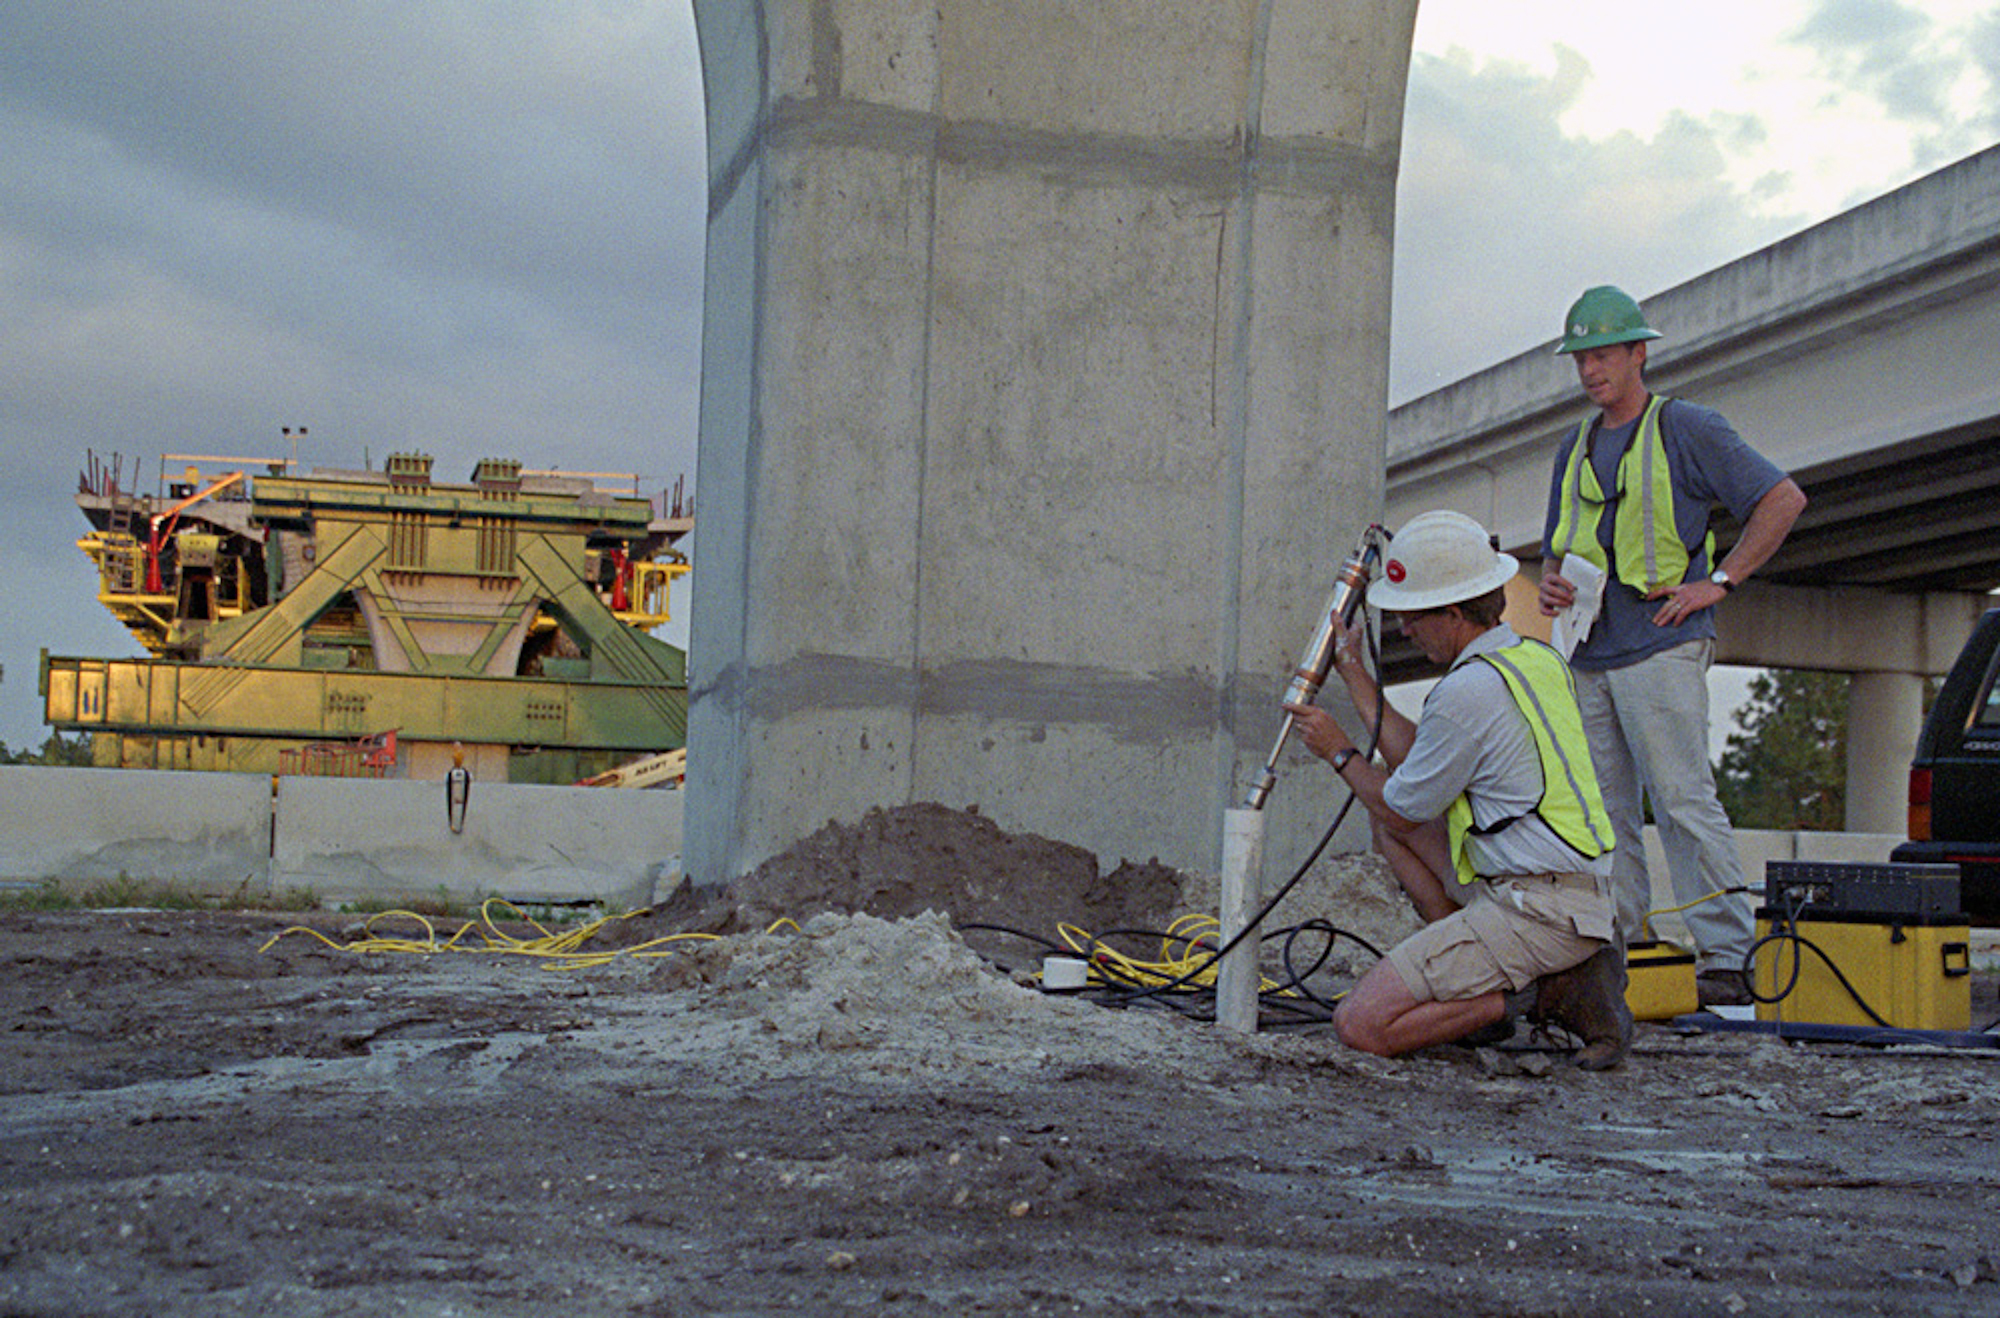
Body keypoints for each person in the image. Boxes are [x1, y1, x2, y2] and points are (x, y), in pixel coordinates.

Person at [1538, 286, 1808, 1008]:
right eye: (1581, 358)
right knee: (1605, 816)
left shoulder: (1687, 427)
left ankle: (1726, 957)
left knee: (1683, 800)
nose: (1590, 370)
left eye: (1602, 355)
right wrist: (1553, 585)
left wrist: (1717, 582)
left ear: (1638, 353)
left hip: (1662, 645)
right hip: (1590, 652)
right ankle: (1617, 952)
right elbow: (1557, 552)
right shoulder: (1575, 446)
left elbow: (1782, 498)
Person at [1285, 510, 1632, 1070]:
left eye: (1413, 617)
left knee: (1361, 1025)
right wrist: (1351, 670)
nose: (1403, 631)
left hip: (1538, 910)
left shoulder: (1468, 690)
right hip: (1574, 895)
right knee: (1394, 824)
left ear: (1451, 614)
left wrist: (1338, 751)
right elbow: (1423, 764)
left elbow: (1401, 808)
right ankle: (1468, 965)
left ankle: (1540, 993)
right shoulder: (1531, 658)